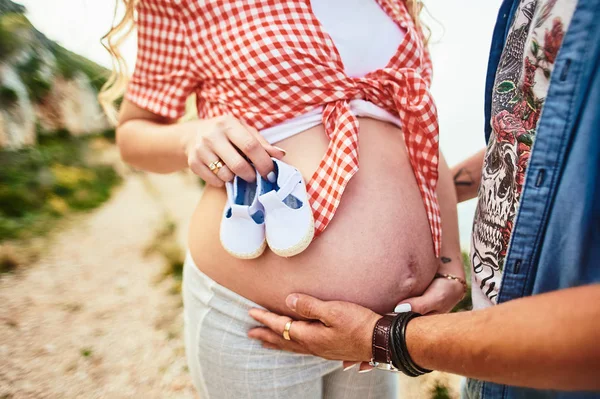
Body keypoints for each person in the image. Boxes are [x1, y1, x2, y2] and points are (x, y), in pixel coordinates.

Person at [100, 0, 467, 397]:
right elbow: (132, 135)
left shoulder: (391, 4)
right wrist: (192, 135)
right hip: (258, 319)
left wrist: (449, 268)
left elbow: (420, 136)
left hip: (375, 327)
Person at [247, 0, 600, 397]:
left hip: (534, 363)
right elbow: (530, 144)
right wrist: (414, 207)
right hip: (496, 356)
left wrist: (388, 339)